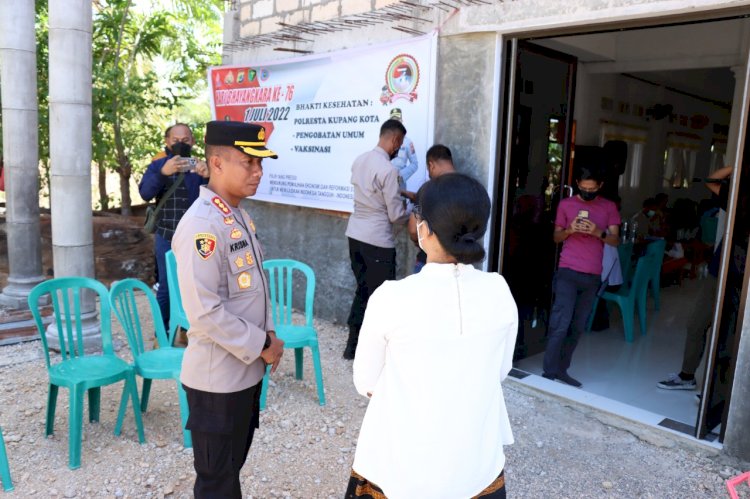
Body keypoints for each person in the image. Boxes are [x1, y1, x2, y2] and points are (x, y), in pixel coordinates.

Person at [347, 173, 518, 499]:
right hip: (476, 466)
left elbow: (366, 383)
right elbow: (501, 369)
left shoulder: (392, 297)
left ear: (423, 228)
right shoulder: (499, 290)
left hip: (402, 470)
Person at [172, 121, 284, 498]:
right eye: (248, 163)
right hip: (216, 380)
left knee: (229, 473)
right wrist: (261, 343)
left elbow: (249, 292)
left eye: (260, 164)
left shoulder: (234, 214)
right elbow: (203, 312)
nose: (258, 172)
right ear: (217, 164)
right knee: (217, 483)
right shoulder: (202, 225)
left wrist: (266, 338)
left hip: (243, 373)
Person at [543, 167, 620, 387]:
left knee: (577, 326)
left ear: (600, 186)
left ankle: (562, 369)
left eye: (592, 189)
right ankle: (548, 373)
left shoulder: (608, 207)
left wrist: (598, 233)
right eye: (584, 188)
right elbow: (556, 237)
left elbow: (615, 240)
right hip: (568, 271)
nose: (588, 192)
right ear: (578, 184)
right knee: (561, 323)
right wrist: (569, 230)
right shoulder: (566, 205)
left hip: (592, 275)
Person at [657, 166, 732, 390]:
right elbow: (712, 180)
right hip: (719, 272)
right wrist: (738, 162)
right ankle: (687, 377)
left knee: (729, 337)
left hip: (742, 281)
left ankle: (718, 392)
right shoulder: (739, 200)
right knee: (697, 324)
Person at [344, 119, 410, 359]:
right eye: (399, 144)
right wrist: (412, 212)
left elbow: (371, 193)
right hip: (378, 241)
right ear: (394, 140)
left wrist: (400, 193)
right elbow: (395, 215)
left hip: (355, 236)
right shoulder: (389, 170)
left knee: (362, 290)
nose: (398, 149)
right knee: (382, 300)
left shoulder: (360, 160)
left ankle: (352, 347)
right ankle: (376, 355)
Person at [139, 123, 209, 330]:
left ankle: (190, 330)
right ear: (167, 142)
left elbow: (218, 197)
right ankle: (163, 332)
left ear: (193, 142)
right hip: (166, 234)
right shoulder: (157, 165)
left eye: (185, 140)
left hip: (197, 235)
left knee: (196, 284)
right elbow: (145, 194)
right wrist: (162, 172)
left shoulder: (200, 166)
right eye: (175, 140)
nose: (180, 144)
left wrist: (209, 176)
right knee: (167, 285)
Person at [405, 144, 455, 272]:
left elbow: (413, 228)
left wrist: (421, 242)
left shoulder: (427, 190)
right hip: (459, 265)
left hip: (428, 262)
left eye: (428, 169)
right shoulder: (469, 188)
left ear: (431, 165)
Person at [388, 108, 419, 192]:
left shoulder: (408, 142)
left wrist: (400, 176)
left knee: (401, 204)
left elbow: (415, 164)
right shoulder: (385, 140)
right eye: (392, 120)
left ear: (401, 121)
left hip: (400, 183)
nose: (395, 123)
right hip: (386, 182)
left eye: (397, 120)